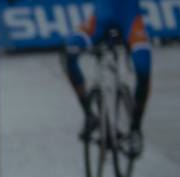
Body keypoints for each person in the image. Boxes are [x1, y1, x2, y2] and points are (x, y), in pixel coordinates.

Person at [63, 0, 152, 156]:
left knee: (143, 69)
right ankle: (90, 116)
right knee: (69, 52)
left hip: (130, 21)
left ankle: (135, 129)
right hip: (98, 22)